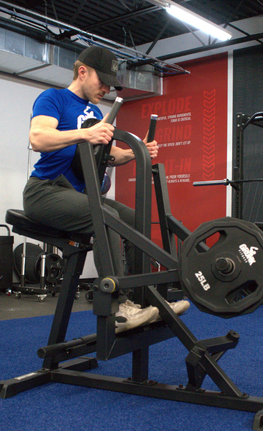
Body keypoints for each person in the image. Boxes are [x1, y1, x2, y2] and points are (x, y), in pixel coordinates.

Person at [23, 46, 189, 332]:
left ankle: (144, 299)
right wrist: (86, 133)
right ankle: (118, 308)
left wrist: (138, 152)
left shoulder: (95, 111)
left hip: (79, 196)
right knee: (105, 217)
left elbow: (108, 156)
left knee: (135, 220)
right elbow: (38, 138)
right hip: (45, 192)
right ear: (82, 71)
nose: (106, 89)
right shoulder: (54, 98)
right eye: (103, 81)